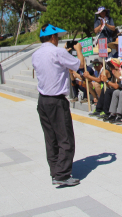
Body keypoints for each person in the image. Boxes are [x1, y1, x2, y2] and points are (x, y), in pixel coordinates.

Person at [32, 24, 85, 186]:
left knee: (51, 138)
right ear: (53, 37)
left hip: (43, 100)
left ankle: (55, 171)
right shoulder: (58, 52)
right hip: (57, 101)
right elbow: (80, 65)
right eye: (57, 37)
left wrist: (63, 53)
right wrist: (79, 51)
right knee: (65, 138)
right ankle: (62, 175)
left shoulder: (36, 54)